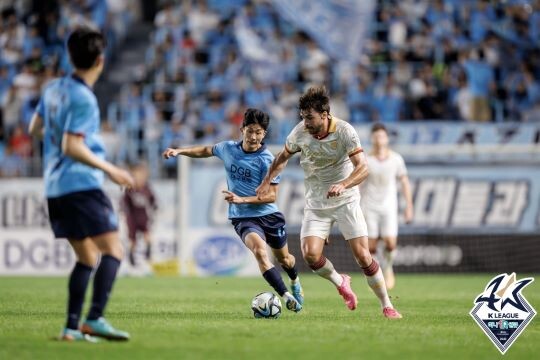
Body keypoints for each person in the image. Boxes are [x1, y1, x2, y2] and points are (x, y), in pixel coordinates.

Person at [257, 86, 402, 319]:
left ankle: (387, 305)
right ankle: (339, 281)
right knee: (310, 255)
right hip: (316, 203)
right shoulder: (299, 133)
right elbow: (281, 158)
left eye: (310, 118)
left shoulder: (345, 131)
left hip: (346, 200)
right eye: (303, 118)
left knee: (364, 256)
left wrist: (344, 184)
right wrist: (267, 181)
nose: (306, 123)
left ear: (325, 115)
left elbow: (363, 168)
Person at [28, 27, 135, 342]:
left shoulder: (52, 88)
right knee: (113, 250)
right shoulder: (84, 98)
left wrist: (57, 140)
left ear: (70, 56)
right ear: (101, 60)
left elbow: (35, 127)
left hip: (55, 187)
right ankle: (95, 318)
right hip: (81, 184)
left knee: (88, 258)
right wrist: (110, 169)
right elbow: (72, 146)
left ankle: (71, 328)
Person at [162, 108, 304, 312]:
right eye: (250, 131)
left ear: (264, 134)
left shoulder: (267, 160)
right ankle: (286, 296)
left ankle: (295, 281)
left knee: (286, 259)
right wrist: (179, 151)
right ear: (242, 129)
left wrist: (241, 198)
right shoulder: (228, 149)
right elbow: (205, 150)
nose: (254, 136)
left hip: (269, 215)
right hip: (243, 217)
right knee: (260, 253)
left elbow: (272, 196)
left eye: (258, 132)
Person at [360, 123, 413, 290]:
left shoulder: (396, 159)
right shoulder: (366, 159)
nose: (379, 139)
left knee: (390, 243)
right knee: (372, 245)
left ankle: (388, 267)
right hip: (369, 206)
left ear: (387, 138)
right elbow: (359, 184)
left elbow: (404, 182)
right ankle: (375, 275)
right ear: (371, 139)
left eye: (382, 136)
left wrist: (409, 206)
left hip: (389, 207)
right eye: (376, 136)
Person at [122, 161, 157, 267]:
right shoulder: (129, 189)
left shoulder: (147, 188)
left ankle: (148, 250)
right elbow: (124, 201)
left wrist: (154, 209)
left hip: (143, 216)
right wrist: (124, 211)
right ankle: (131, 256)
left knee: (147, 233)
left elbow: (153, 200)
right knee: (132, 238)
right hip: (132, 217)